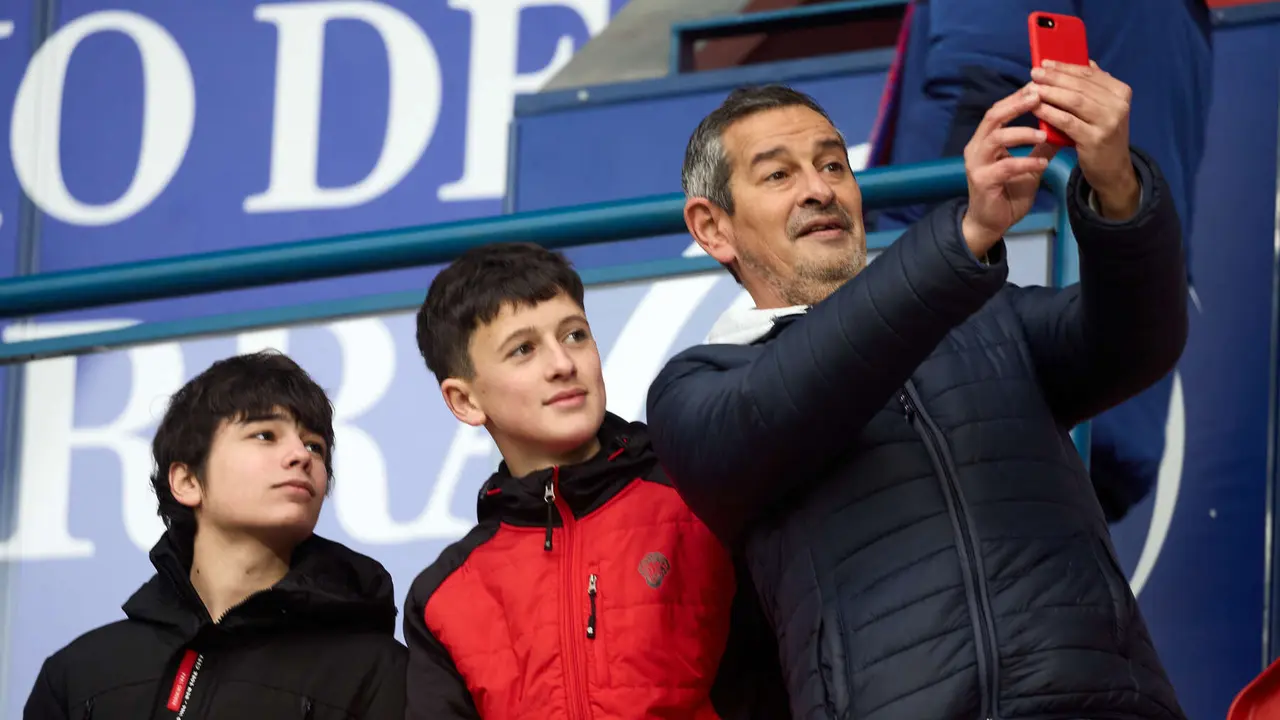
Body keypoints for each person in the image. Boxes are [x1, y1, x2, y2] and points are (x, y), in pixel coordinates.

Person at [646, 66, 1188, 719]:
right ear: (712, 228)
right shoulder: (699, 387)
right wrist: (963, 236)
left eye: (833, 166)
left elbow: (1138, 338)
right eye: (779, 175)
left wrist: (1116, 184)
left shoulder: (989, 317)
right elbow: (783, 399)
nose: (820, 189)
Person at [403, 242, 788, 719]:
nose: (563, 364)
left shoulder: (701, 494)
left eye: (574, 335)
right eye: (523, 349)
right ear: (465, 401)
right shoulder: (443, 596)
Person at [866, 0, 1212, 520]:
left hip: (980, 379)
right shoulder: (1183, 16)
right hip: (1105, 384)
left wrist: (878, 292)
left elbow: (971, 94)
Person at [24, 351, 407, 720]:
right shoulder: (78, 675)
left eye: (315, 446)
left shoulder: (378, 670)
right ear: (188, 481)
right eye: (265, 435)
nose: (301, 456)